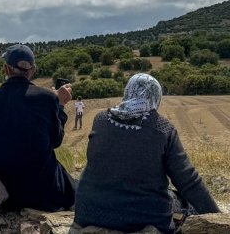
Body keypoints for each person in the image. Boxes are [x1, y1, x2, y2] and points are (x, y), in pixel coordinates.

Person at [74, 73, 219, 233]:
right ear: (156, 96)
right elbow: (187, 180)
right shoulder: (162, 128)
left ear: (128, 91)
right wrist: (219, 218)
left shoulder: (100, 119)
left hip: (88, 212)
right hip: (140, 218)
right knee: (184, 204)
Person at [0, 43, 76, 211]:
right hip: (40, 193)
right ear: (32, 70)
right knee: (77, 190)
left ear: (6, 69)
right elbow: (56, 141)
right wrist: (60, 105)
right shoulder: (47, 98)